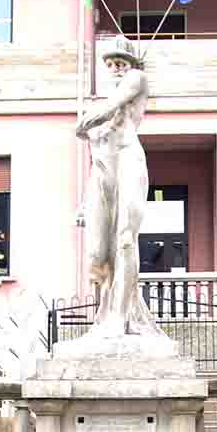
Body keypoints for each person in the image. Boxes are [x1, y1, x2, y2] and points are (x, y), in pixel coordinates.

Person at [69, 37, 172, 351]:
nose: (116, 69)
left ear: (130, 66)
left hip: (128, 161)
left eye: (121, 63)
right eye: (111, 64)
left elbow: (99, 116)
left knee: (125, 239)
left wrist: (86, 121)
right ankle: (105, 315)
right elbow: (91, 147)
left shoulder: (135, 81)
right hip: (103, 172)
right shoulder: (96, 103)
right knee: (97, 255)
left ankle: (119, 317)